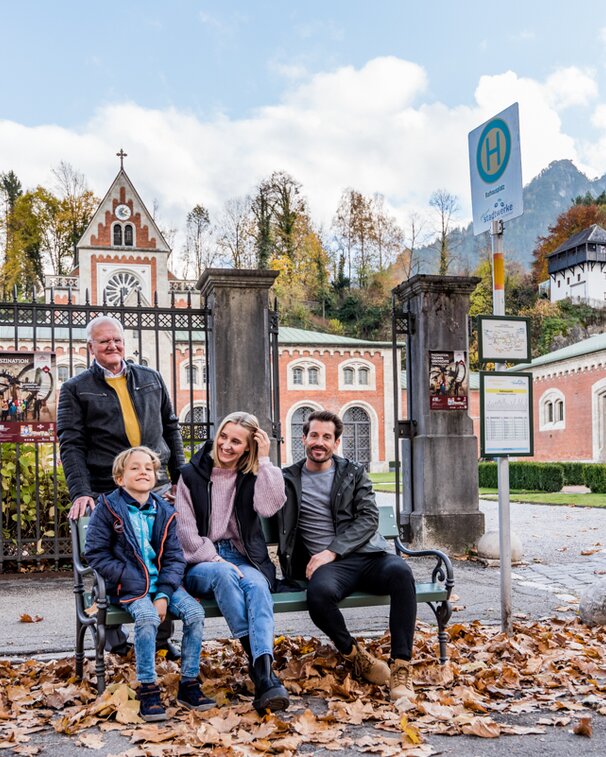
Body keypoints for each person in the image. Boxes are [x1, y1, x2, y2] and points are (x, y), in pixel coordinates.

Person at [57, 315, 185, 658]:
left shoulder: (151, 378)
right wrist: (81, 491)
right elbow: (71, 444)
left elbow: (170, 428)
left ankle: (160, 637)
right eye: (103, 342)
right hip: (104, 487)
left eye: (116, 340)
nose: (112, 346)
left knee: (158, 553)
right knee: (113, 557)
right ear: (91, 347)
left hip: (153, 484)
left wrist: (181, 477)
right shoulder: (75, 388)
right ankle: (112, 635)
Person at [279, 409, 417, 701]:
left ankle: (402, 667)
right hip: (329, 568)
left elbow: (368, 519)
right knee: (318, 596)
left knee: (402, 574)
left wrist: (332, 551)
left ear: (336, 443)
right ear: (303, 439)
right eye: (314, 435)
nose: (320, 442)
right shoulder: (288, 479)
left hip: (365, 555)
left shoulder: (353, 473)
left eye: (326, 437)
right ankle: (356, 656)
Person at [84, 447, 215, 721]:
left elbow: (175, 558)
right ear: (120, 478)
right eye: (135, 468)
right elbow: (96, 554)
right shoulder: (108, 509)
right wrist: (129, 577)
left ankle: (189, 683)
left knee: (195, 613)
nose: (143, 471)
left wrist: (165, 593)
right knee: (146, 618)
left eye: (148, 468)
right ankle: (148, 686)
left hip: (164, 585)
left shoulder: (165, 510)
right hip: (129, 586)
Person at [175, 411, 290, 715]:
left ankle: (263, 673)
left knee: (257, 585)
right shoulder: (190, 475)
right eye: (223, 437)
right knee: (224, 575)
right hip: (201, 561)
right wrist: (214, 558)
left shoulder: (251, 475)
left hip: (243, 556)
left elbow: (269, 507)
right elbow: (186, 534)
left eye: (236, 441)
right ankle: (262, 672)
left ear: (249, 447)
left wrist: (265, 461)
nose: (226, 445)